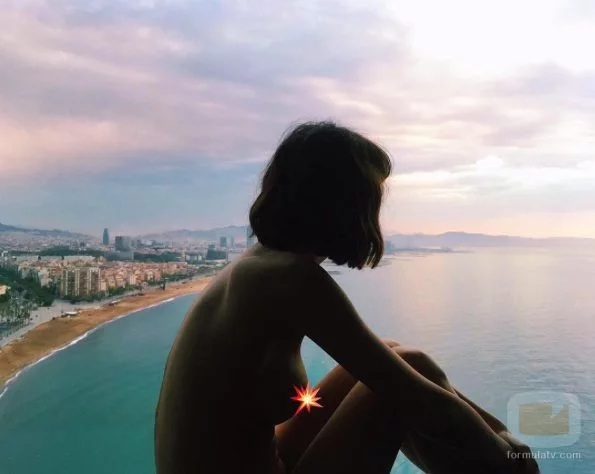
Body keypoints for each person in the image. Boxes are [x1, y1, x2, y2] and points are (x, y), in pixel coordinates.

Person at [154, 121, 540, 474]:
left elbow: (398, 373)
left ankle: (502, 456)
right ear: (345, 203)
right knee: (400, 391)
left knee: (399, 357)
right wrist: (507, 456)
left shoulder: (257, 264)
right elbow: (417, 398)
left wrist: (498, 435)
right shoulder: (292, 278)